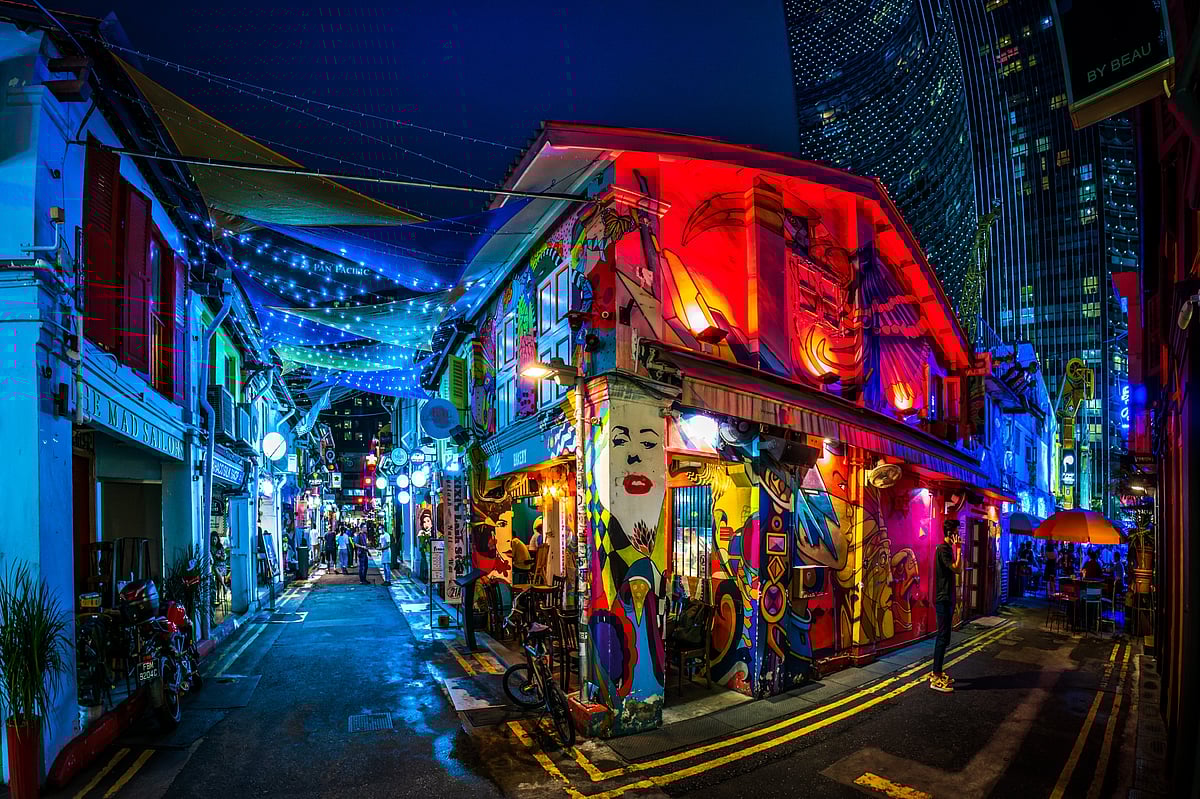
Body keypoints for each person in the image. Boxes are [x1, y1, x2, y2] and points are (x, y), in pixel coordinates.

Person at [930, 518, 963, 693]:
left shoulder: (947, 549)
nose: (960, 535)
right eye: (958, 532)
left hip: (946, 598)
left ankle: (938, 671)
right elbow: (957, 569)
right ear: (951, 534)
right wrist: (959, 549)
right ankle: (935, 677)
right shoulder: (944, 549)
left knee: (945, 637)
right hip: (943, 598)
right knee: (942, 637)